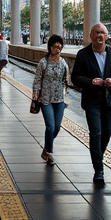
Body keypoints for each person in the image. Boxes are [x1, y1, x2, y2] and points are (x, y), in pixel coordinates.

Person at [71, 23, 111, 185]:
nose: (99, 36)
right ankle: (99, 170)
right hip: (91, 101)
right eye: (96, 33)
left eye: (102, 33)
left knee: (106, 134)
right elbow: (76, 78)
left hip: (109, 101)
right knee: (96, 133)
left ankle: (97, 156)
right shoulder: (83, 55)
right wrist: (90, 81)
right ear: (90, 36)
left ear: (106, 36)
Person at [32, 34, 70, 164]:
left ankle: (46, 148)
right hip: (45, 99)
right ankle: (50, 153)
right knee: (50, 126)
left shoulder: (63, 62)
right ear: (50, 47)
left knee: (57, 127)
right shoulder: (43, 62)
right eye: (55, 47)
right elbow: (37, 80)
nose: (57, 50)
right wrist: (35, 95)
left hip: (59, 99)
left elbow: (66, 79)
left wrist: (66, 92)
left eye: (60, 47)